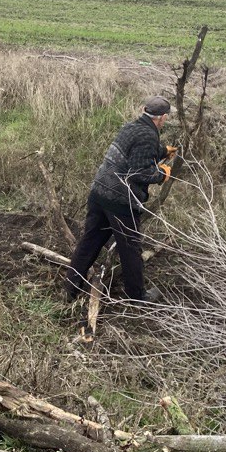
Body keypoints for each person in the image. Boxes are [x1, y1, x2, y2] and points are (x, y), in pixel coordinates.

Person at [64, 95, 176, 304]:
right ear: (163, 118)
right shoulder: (148, 136)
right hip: (120, 200)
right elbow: (138, 173)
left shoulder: (131, 127)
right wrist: (162, 174)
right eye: (165, 118)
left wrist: (162, 152)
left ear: (144, 110)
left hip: (99, 192)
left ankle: (71, 287)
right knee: (131, 248)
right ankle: (137, 296)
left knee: (90, 241)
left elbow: (135, 155)